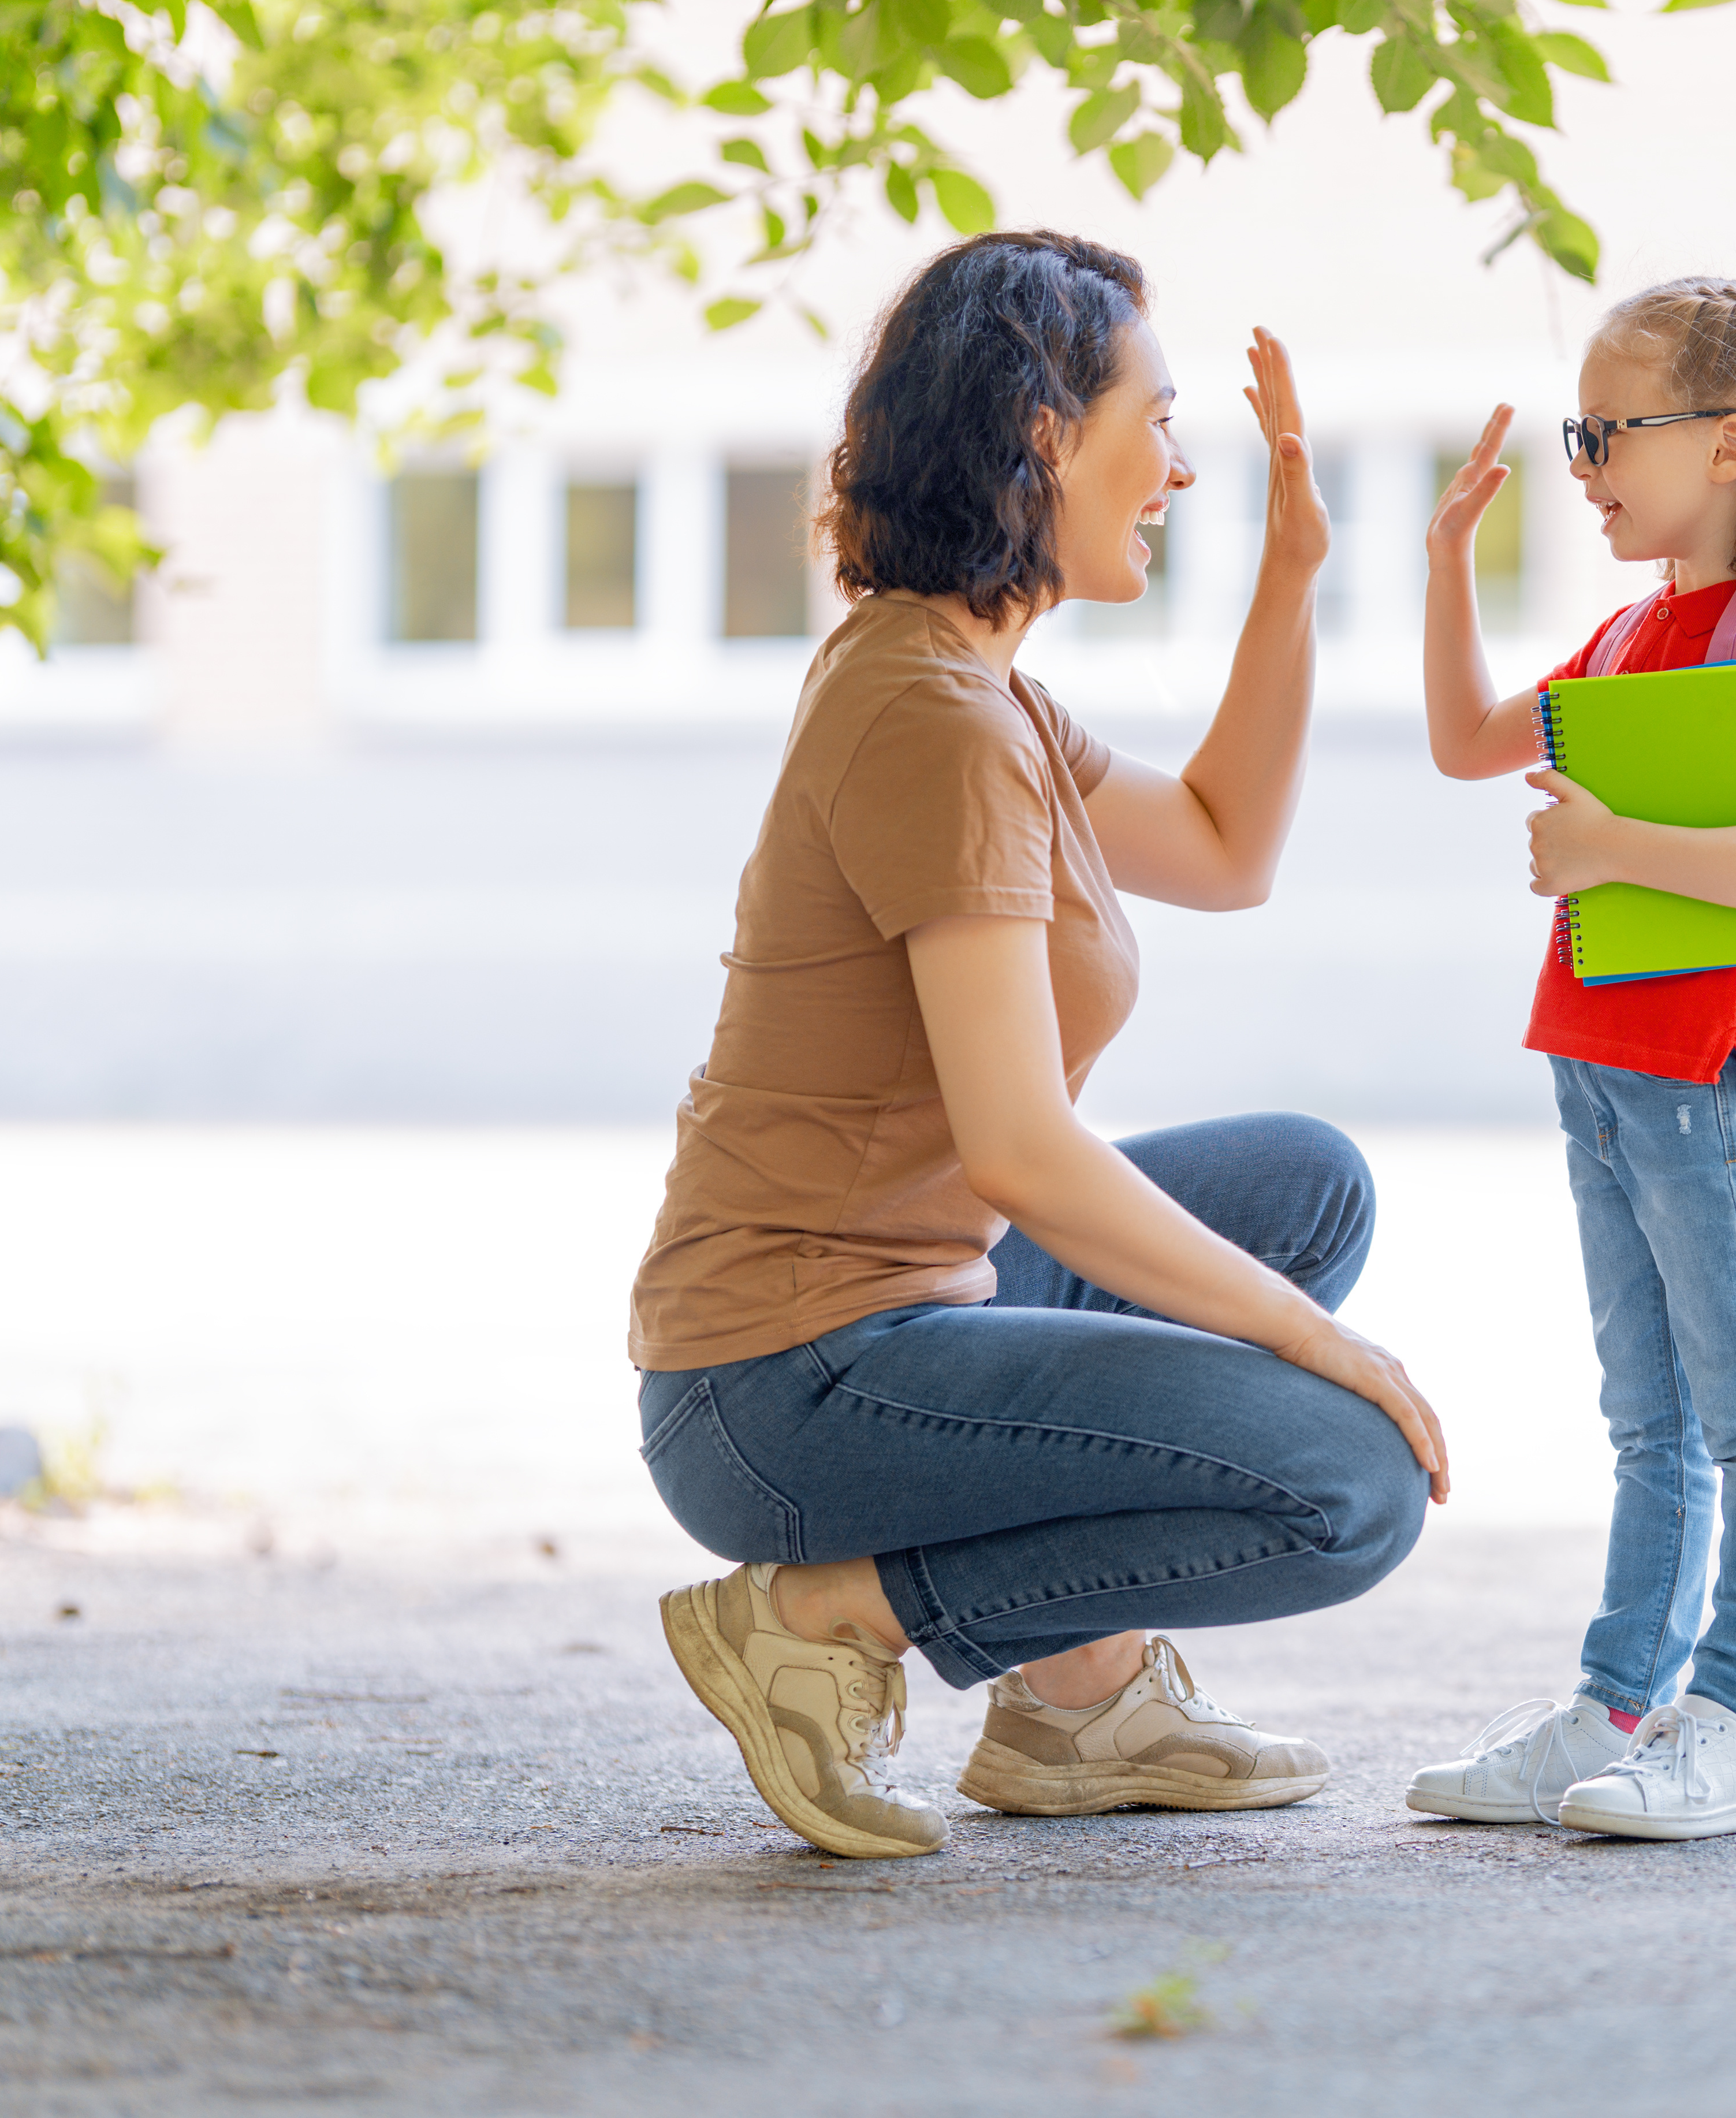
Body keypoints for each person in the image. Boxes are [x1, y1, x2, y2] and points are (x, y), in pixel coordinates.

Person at [629, 232, 1448, 1862]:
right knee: (1344, 1483)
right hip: (783, 1387)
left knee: (1305, 1185)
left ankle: (1075, 1703)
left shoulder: (974, 683)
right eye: (1154, 416)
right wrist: (1319, 1346)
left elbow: (1223, 846)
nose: (1181, 465)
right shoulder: (934, 719)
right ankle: (828, 1612)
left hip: (918, 1305)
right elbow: (1019, 1146)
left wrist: (1292, 581)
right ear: (1042, 434)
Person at [1402, 278, 1736, 1841]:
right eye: (1580, 431)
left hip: (1715, 1076)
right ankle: (1617, 1706)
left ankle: (1735, 1721)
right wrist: (1441, 564)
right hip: (1601, 1061)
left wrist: (1615, 838)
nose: (1586, 461)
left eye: (1612, 431)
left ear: (1730, 443)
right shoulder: (1625, 630)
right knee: (1646, 1416)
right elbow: (1467, 739)